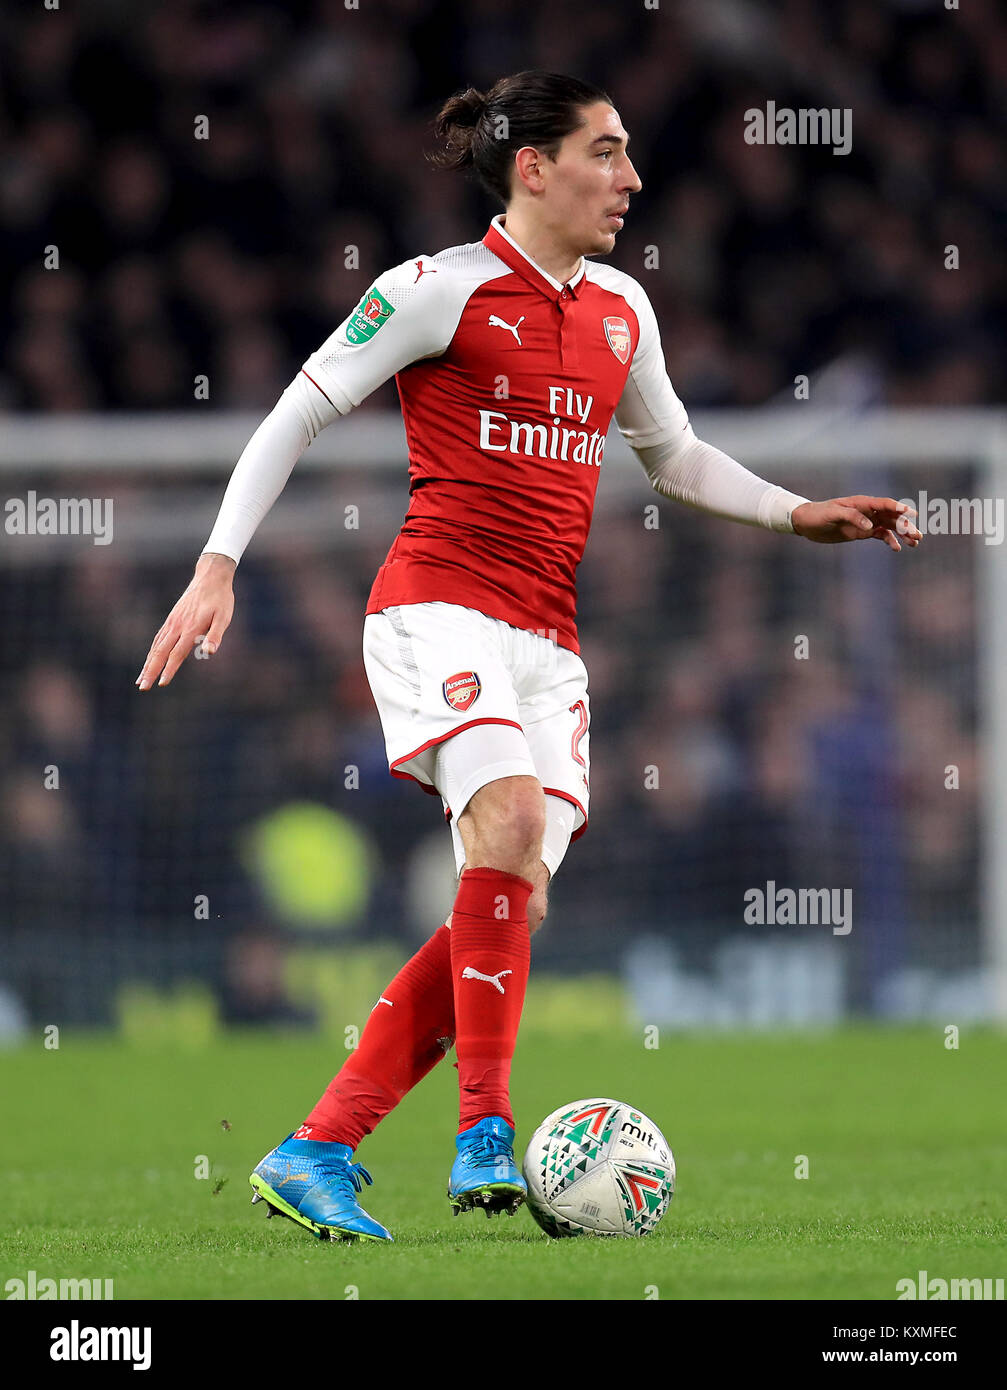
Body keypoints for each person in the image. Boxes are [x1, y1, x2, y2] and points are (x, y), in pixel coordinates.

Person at [137, 70, 920, 1243]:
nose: (631, 179)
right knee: (503, 821)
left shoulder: (621, 311)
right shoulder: (433, 291)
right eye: (605, 153)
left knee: (501, 909)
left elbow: (675, 456)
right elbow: (294, 411)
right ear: (533, 166)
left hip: (547, 644)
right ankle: (483, 1131)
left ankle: (316, 1148)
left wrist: (793, 512)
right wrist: (215, 563)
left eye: (629, 154)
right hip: (432, 607)